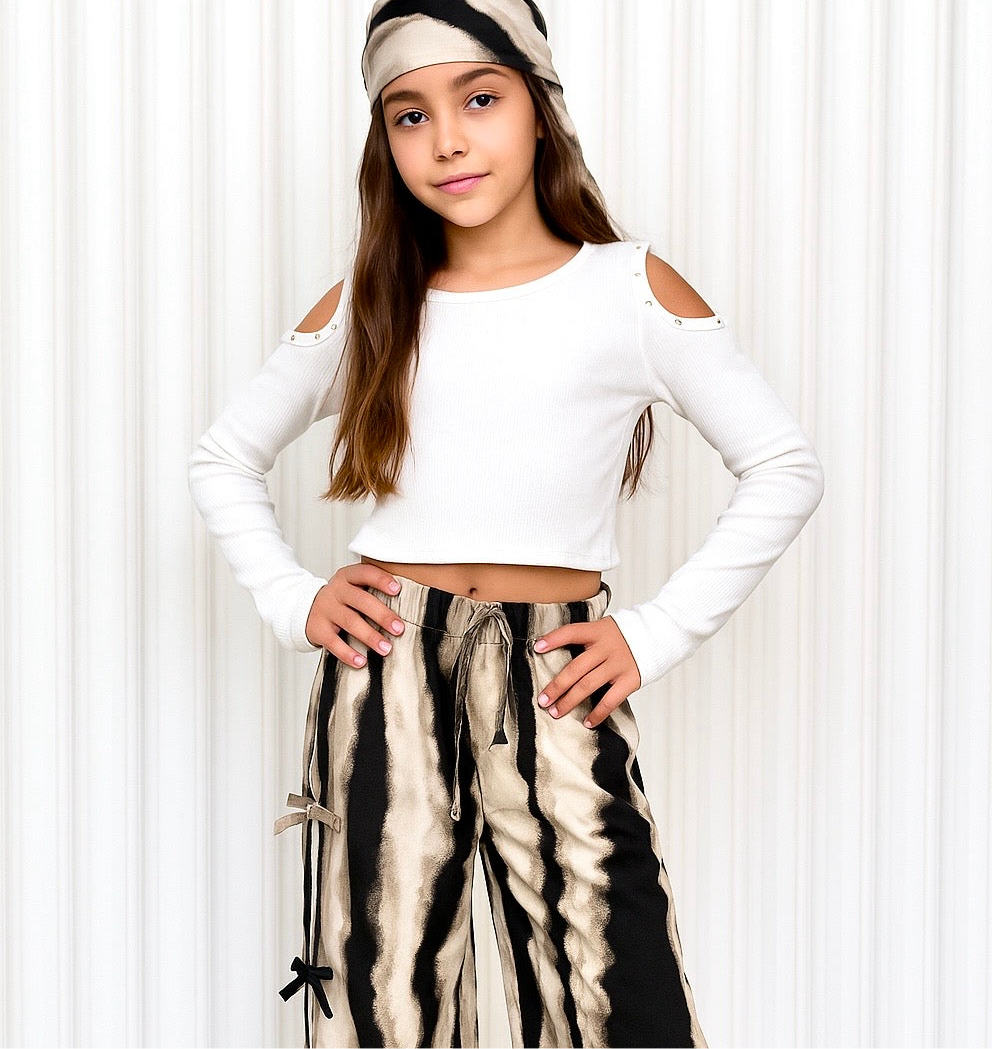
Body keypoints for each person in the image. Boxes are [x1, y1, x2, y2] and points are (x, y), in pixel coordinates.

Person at [187, 2, 825, 1047]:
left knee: (618, 991)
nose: (446, 139)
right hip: (384, 668)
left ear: (540, 107)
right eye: (409, 114)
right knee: (381, 998)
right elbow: (224, 455)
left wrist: (651, 634)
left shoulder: (626, 289)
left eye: (479, 99)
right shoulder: (372, 299)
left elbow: (783, 466)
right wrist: (296, 598)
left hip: (556, 669)